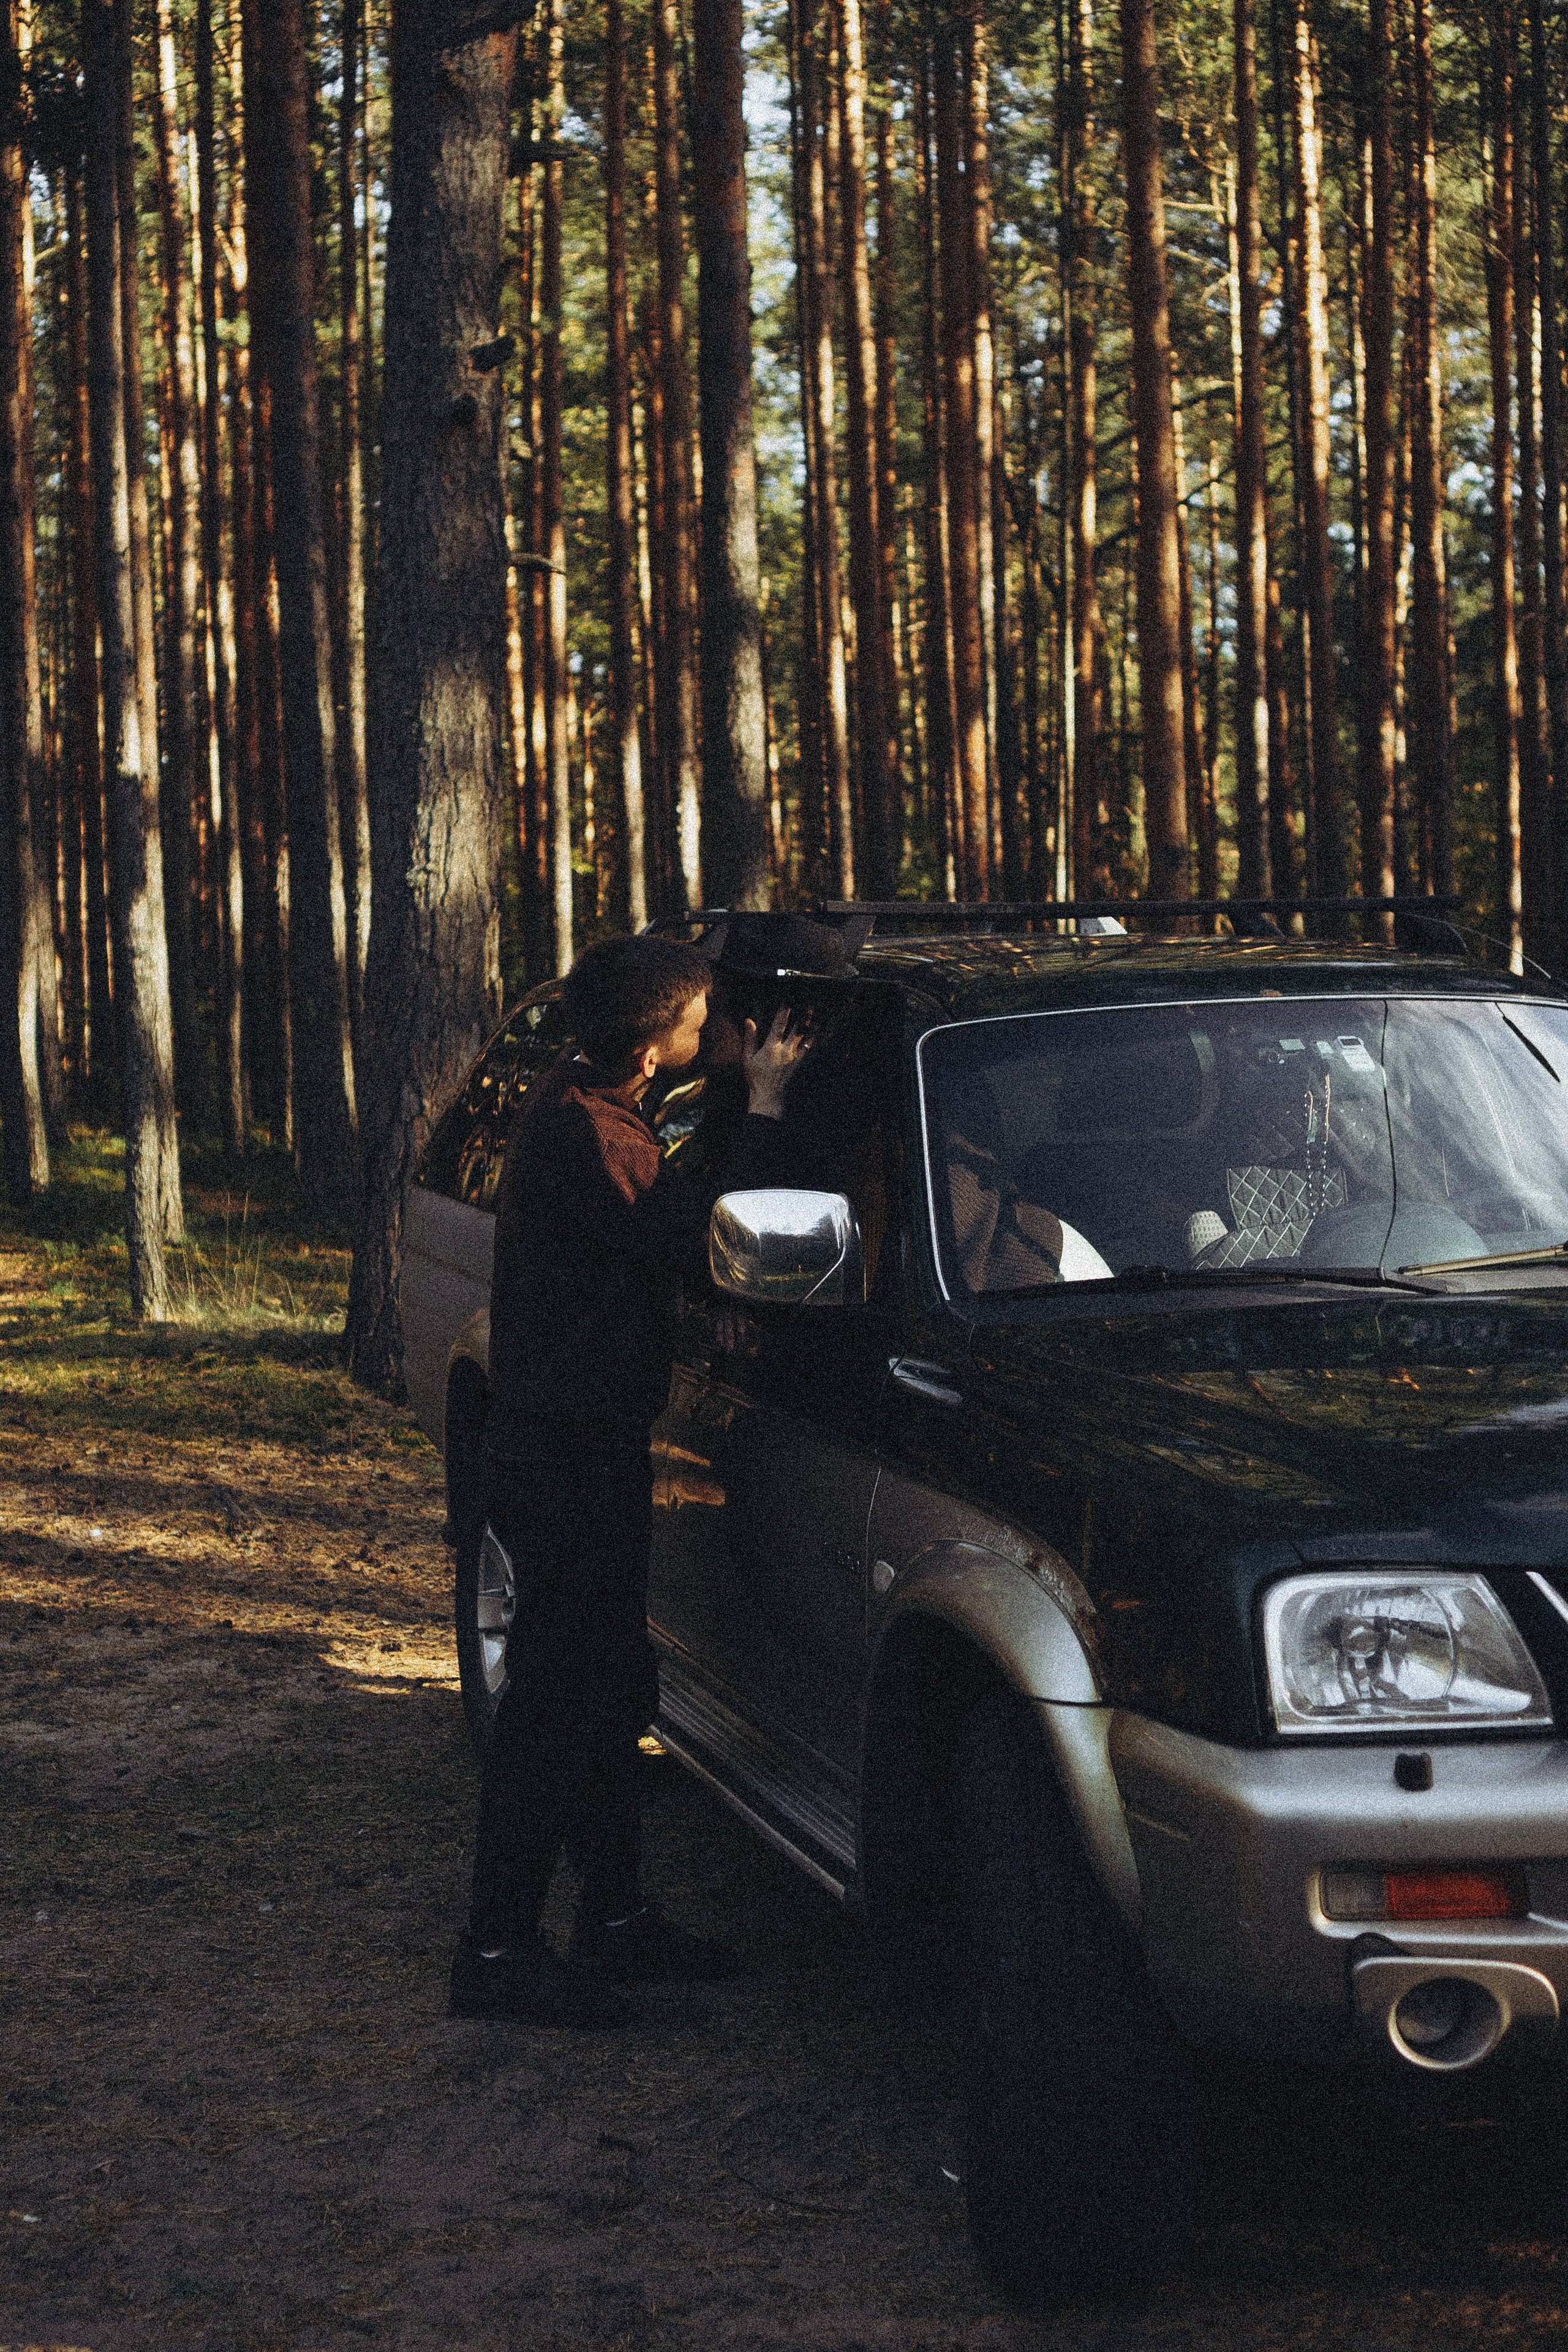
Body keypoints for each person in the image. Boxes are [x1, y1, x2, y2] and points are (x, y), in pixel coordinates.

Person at [450, 932, 807, 2029]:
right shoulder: (593, 1134)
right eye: (703, 1023)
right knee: (558, 1706)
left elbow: (638, 1241)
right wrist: (767, 1105)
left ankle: (612, 1919)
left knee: (606, 1691)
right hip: (563, 1459)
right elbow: (698, 1239)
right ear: (653, 1052)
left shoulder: (590, 1101)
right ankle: (498, 1950)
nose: (723, 1035)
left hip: (574, 1449)